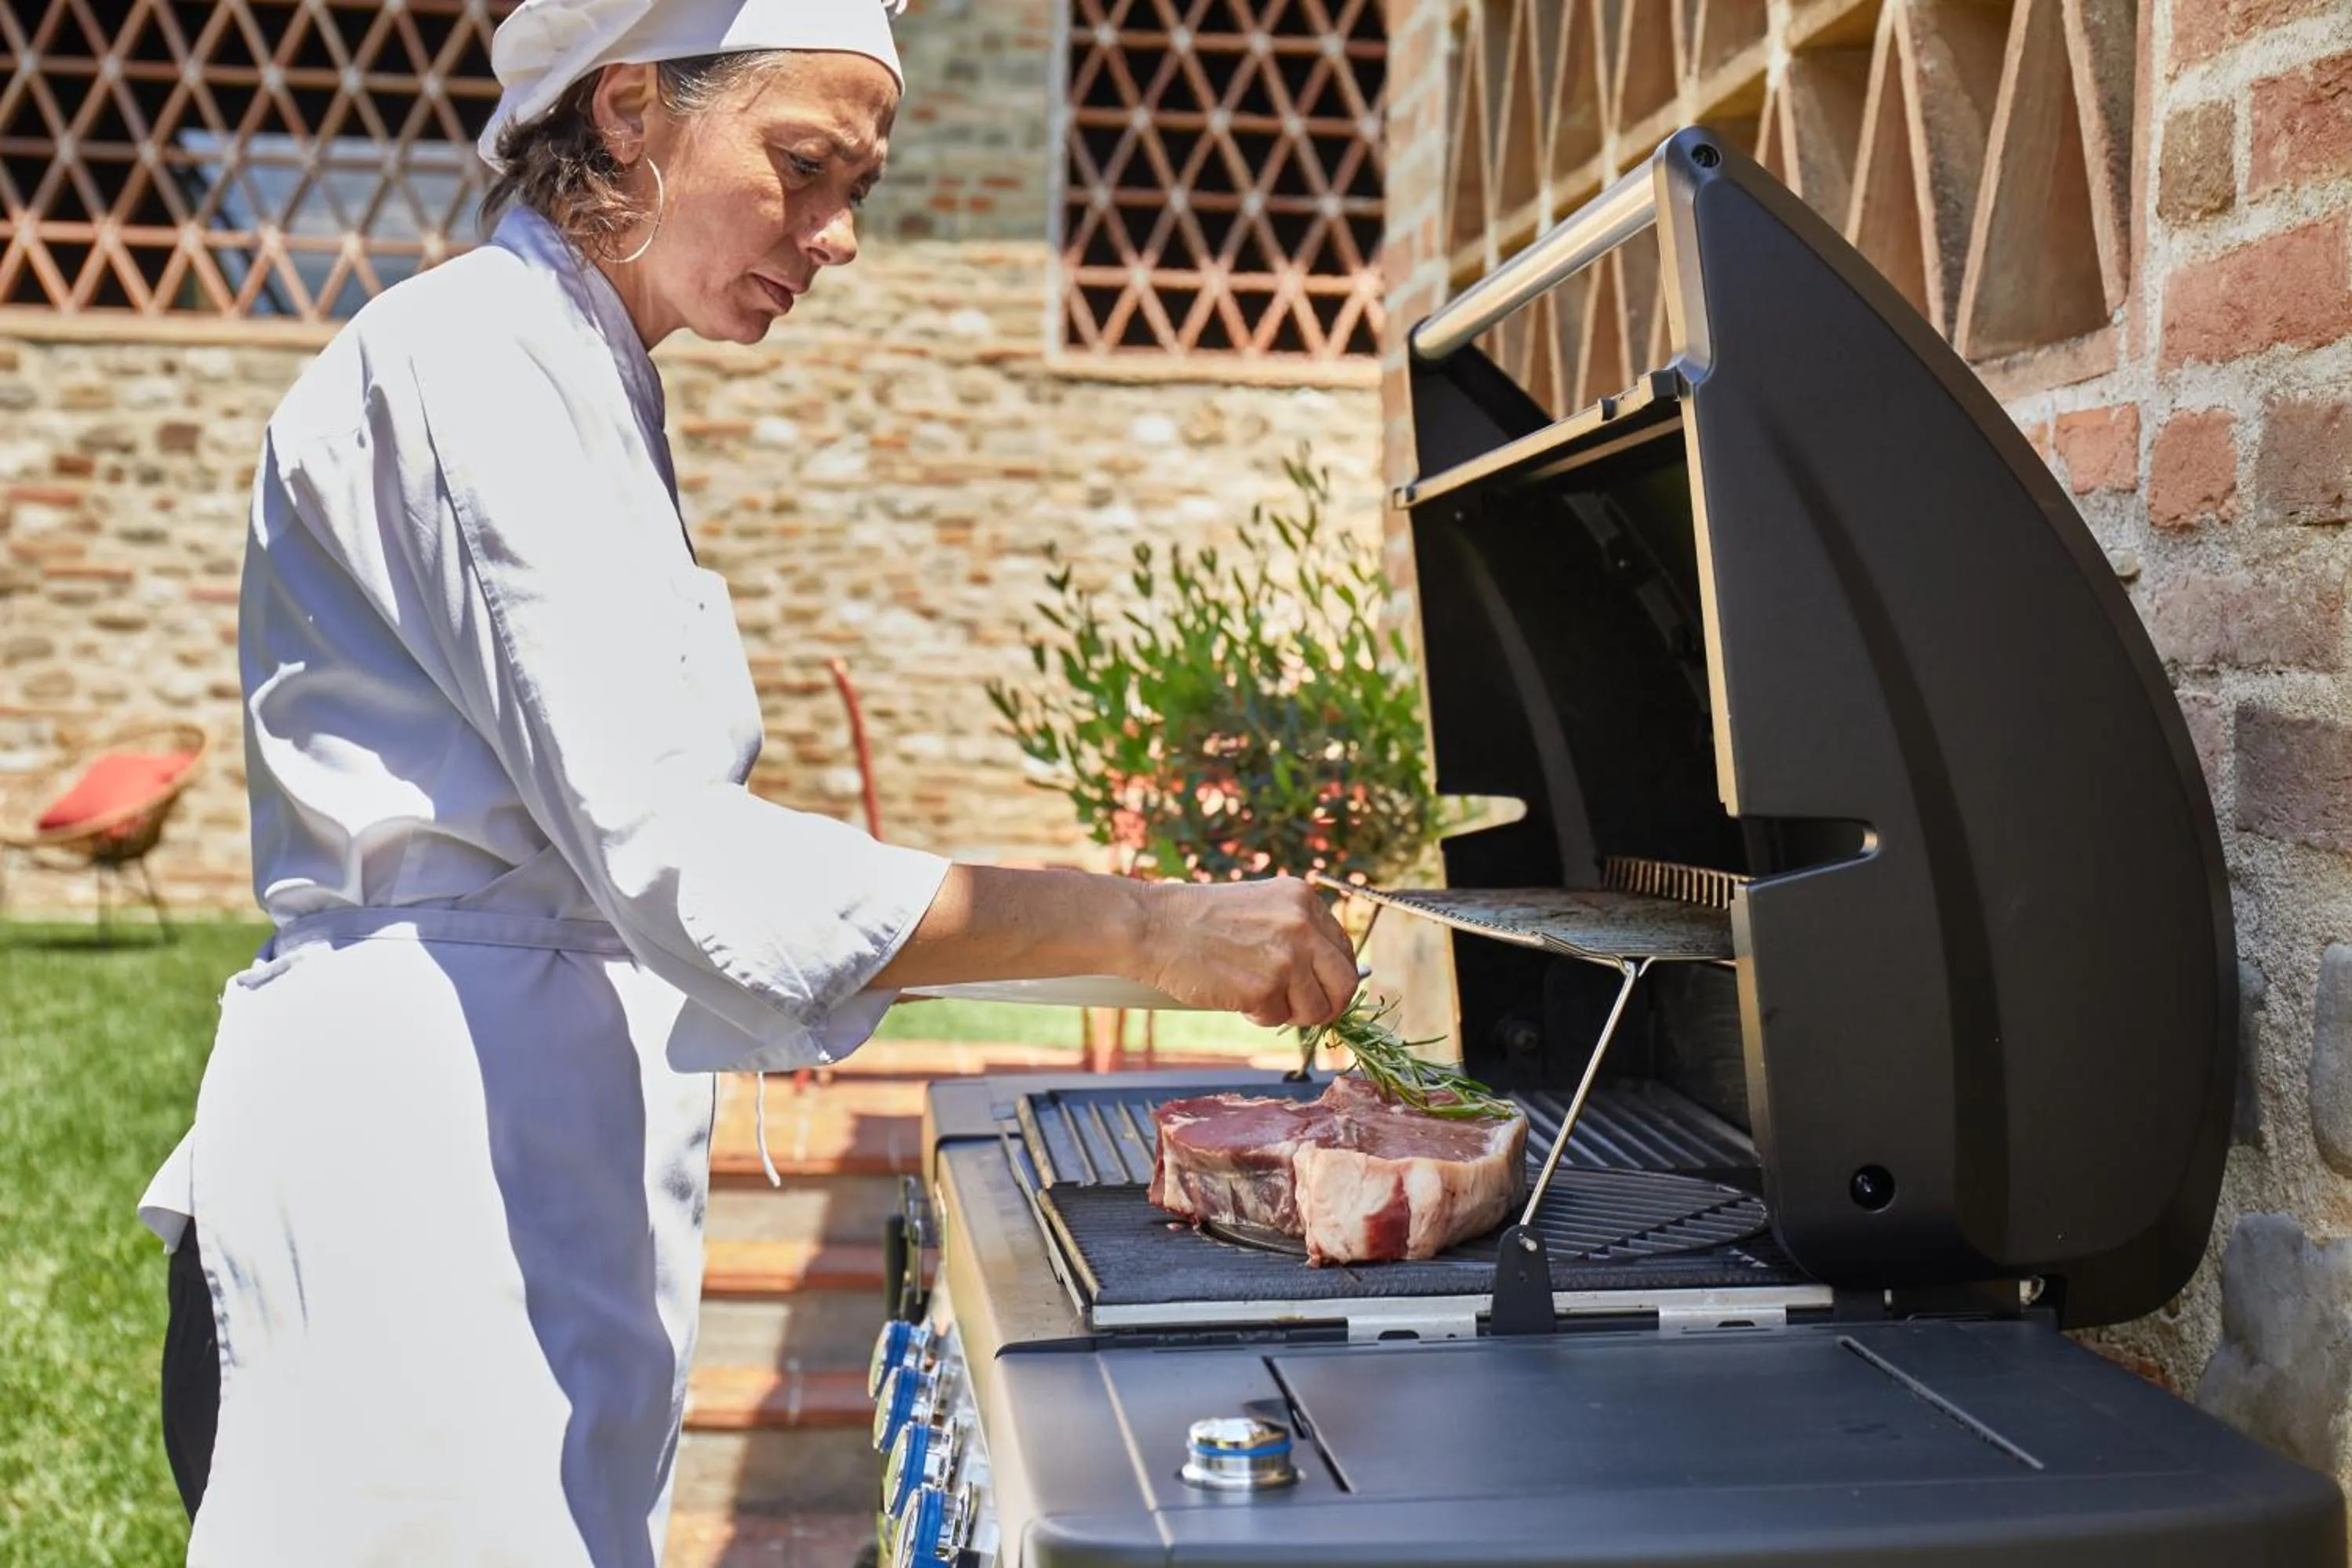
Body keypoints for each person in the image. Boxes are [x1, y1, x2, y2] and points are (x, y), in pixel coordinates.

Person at [135, 2, 1360, 1561]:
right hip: (404, 1200)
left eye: (858, 186)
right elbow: (691, 865)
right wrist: (1148, 928)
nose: (838, 236)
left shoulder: (577, 374)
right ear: (632, 110)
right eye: (803, 167)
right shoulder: (474, 363)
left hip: (503, 1162)